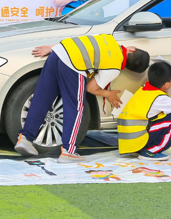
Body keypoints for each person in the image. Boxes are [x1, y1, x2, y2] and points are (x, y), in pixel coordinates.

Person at [14, 35, 150, 163]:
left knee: (42, 97)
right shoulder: (114, 67)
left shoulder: (109, 39)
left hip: (59, 51)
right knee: (76, 107)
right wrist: (108, 94)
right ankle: (69, 151)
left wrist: (53, 47)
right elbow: (91, 88)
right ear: (130, 69)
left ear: (132, 49)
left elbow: (80, 41)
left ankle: (25, 138)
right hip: (74, 64)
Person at [118, 60, 171, 161]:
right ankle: (150, 151)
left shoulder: (144, 89)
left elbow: (167, 104)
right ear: (167, 84)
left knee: (167, 115)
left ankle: (140, 148)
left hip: (130, 141)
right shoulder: (159, 98)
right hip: (137, 137)